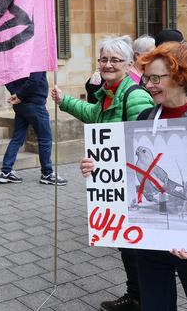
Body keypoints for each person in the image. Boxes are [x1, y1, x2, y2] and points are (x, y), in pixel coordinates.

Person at [80, 41, 187, 310]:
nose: (148, 84)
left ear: (181, 77)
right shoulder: (143, 119)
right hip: (150, 246)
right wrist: (97, 168)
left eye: (156, 78)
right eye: (147, 78)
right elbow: (122, 172)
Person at [51, 35, 154, 311]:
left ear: (129, 63)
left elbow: (144, 149)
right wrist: (64, 100)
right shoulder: (109, 93)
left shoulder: (134, 95)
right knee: (126, 245)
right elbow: (94, 114)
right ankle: (136, 296)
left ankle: (143, 298)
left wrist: (105, 165)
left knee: (136, 248)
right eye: (104, 59)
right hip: (118, 187)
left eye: (115, 60)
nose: (108, 64)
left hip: (134, 189)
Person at [0, 72, 67, 185]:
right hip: (34, 104)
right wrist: (19, 95)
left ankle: (5, 172)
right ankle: (47, 174)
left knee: (17, 138)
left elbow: (6, 75)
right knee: (45, 138)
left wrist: (17, 93)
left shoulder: (16, 56)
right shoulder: (35, 56)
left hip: (21, 104)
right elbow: (35, 79)